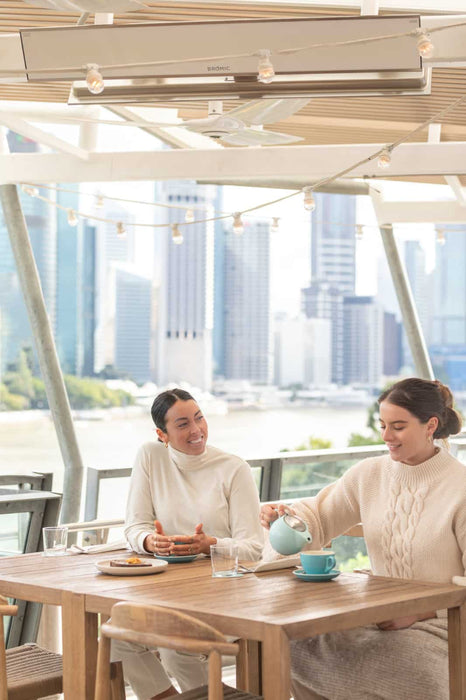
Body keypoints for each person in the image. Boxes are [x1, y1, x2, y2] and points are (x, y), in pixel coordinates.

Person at [260, 377, 465, 700]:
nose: (386, 436)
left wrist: (420, 612)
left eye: (398, 426)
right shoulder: (369, 474)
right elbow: (320, 515)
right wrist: (289, 518)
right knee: (294, 643)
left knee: (408, 671)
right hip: (376, 617)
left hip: (444, 628)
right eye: (382, 425)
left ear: (431, 426)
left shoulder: (460, 487)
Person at [112, 388, 263, 700]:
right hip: (166, 593)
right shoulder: (150, 456)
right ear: (161, 434)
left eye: (199, 419)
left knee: (175, 646)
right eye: (182, 425)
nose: (196, 431)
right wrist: (150, 541)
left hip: (225, 592)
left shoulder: (234, 468)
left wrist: (209, 545)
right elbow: (135, 527)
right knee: (116, 635)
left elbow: (252, 548)